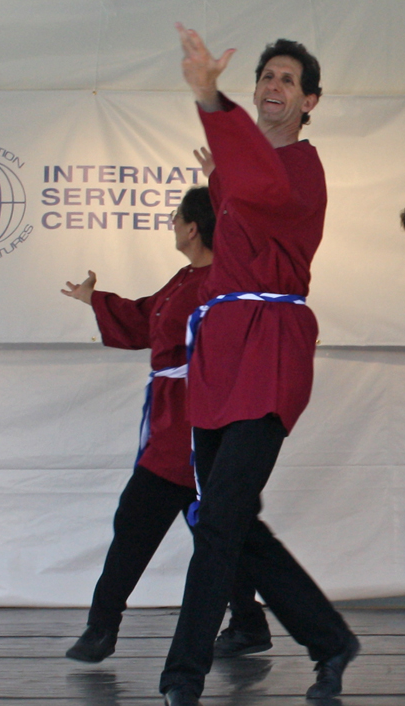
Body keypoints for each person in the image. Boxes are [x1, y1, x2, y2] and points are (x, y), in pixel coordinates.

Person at [159, 27, 360, 706]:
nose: (271, 87)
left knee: (218, 518)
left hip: (269, 345)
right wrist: (220, 168)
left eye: (286, 81)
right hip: (220, 350)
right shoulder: (234, 174)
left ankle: (181, 676)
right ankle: (330, 639)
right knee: (224, 515)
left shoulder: (303, 168)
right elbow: (240, 195)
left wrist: (212, 103)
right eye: (264, 78)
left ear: (309, 103)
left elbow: (266, 191)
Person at [61, 186, 270, 663]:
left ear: (193, 228)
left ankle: (102, 627)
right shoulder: (187, 277)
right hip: (176, 416)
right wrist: (96, 300)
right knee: (214, 528)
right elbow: (144, 321)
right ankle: (248, 622)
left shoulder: (217, 282)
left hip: (194, 422)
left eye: (176, 218)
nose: (172, 224)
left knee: (141, 515)